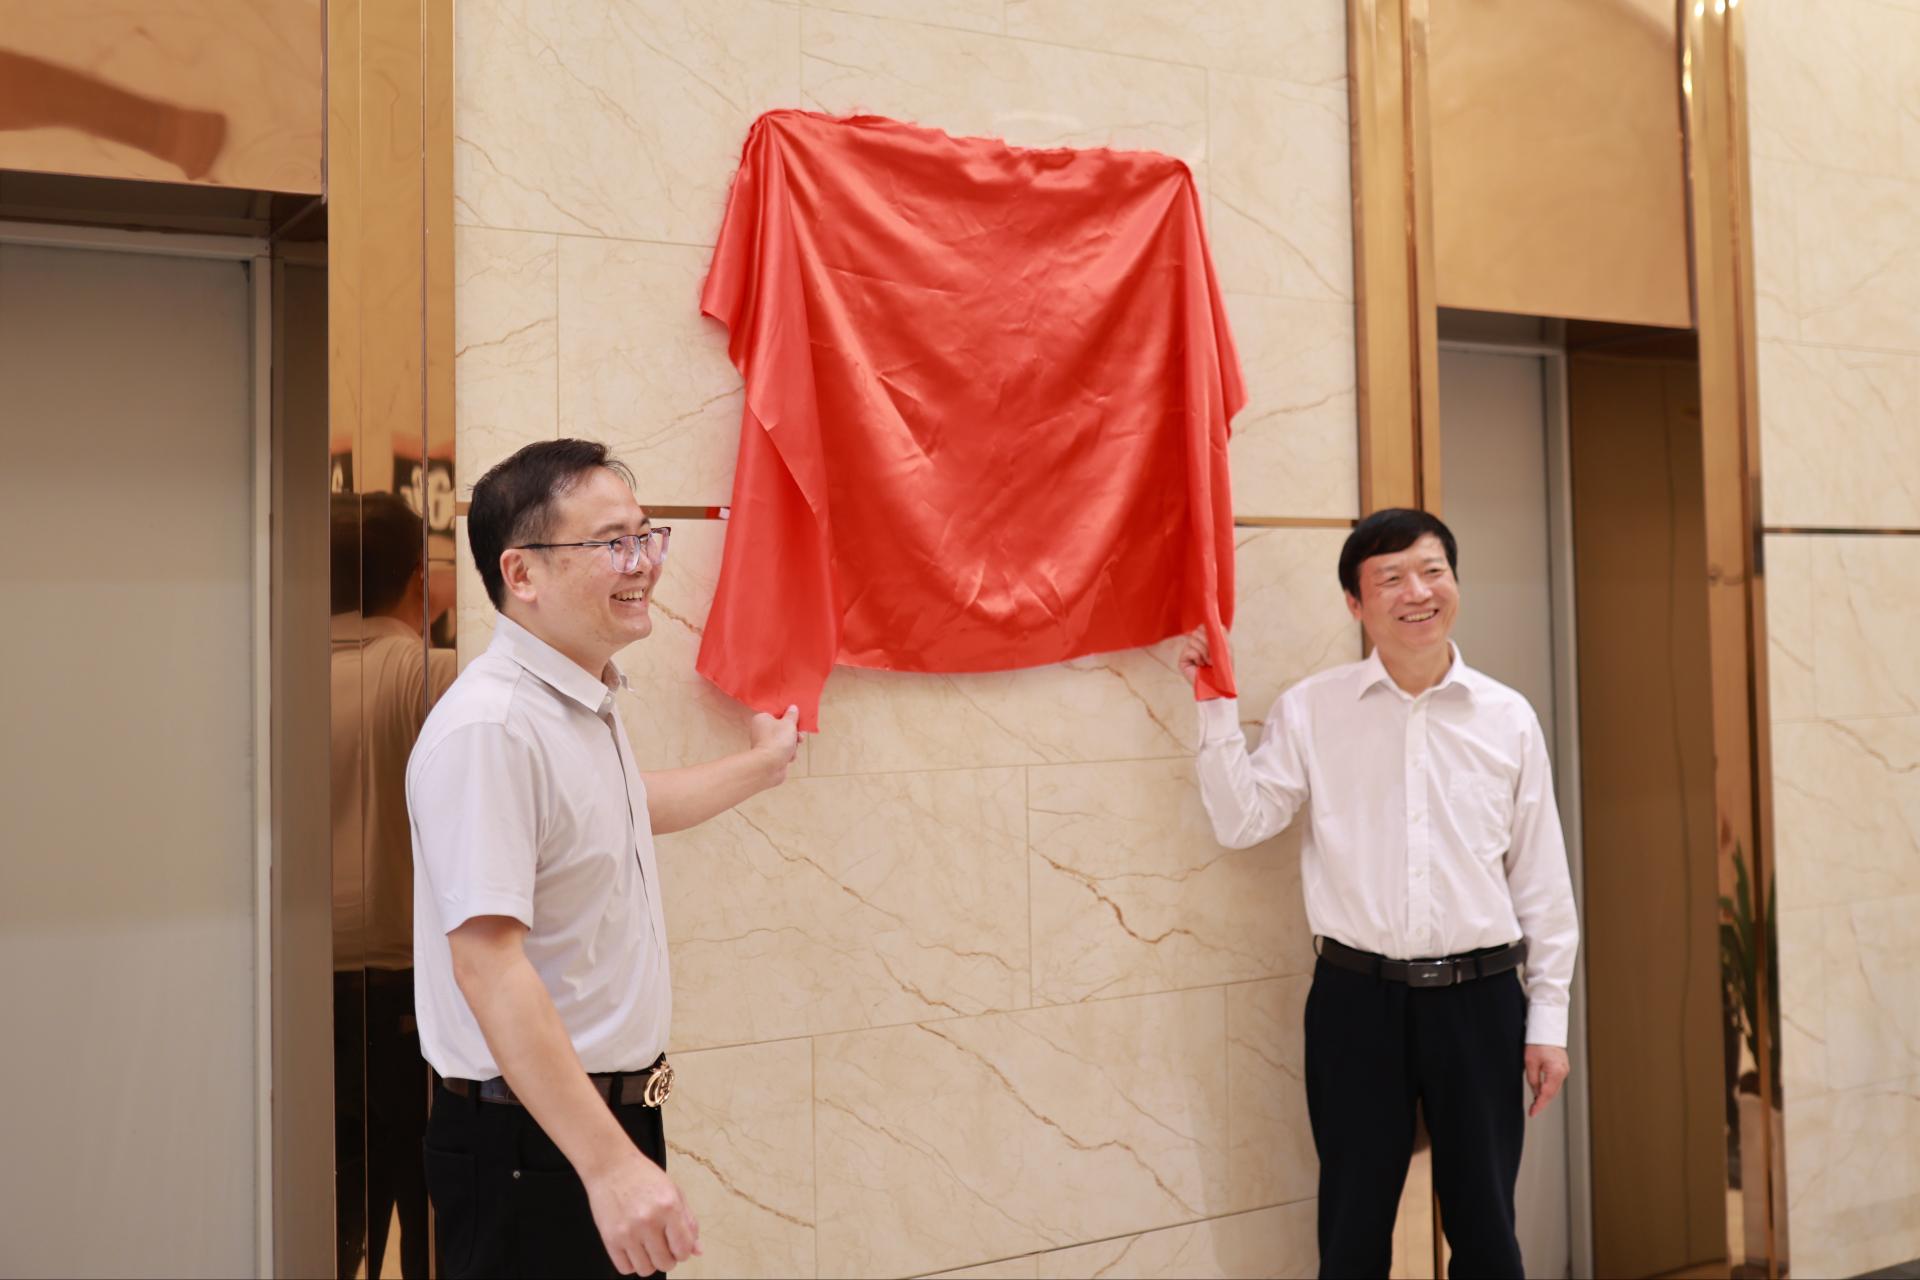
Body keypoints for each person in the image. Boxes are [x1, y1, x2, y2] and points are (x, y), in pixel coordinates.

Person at [408, 439, 800, 1278]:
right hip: (532, 1143)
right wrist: (610, 1167)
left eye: (646, 535)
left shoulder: (576, 701)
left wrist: (762, 767)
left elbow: (617, 811)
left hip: (589, 1124)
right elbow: (487, 966)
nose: (644, 563)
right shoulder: (493, 728)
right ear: (522, 572)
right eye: (613, 543)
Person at [1181, 507, 1578, 1279]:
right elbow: (1242, 821)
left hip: (1482, 1003)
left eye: (1432, 571)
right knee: (1353, 1235)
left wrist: (1549, 1023)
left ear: (1455, 582)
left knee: (1488, 1237)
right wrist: (1214, 705)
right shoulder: (1313, 708)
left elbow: (1542, 883)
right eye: (1390, 578)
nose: (1416, 592)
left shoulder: (1507, 717)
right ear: (1355, 604)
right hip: (1356, 1003)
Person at [329, 490, 457, 1279]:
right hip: (406, 996)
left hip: (303, 1001)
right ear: (418, 578)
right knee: (428, 1215)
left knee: (331, 1220)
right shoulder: (431, 672)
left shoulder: (274, 669)